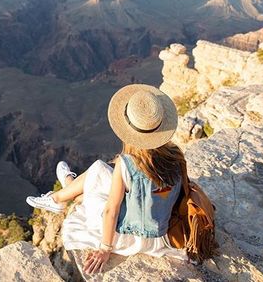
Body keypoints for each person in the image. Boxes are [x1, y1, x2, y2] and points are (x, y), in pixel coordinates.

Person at [26, 84, 188, 275]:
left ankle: (63, 195)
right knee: (100, 169)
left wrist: (104, 248)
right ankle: (64, 194)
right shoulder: (176, 155)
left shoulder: (127, 163)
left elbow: (112, 210)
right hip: (161, 233)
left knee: (97, 176)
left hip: (131, 237)